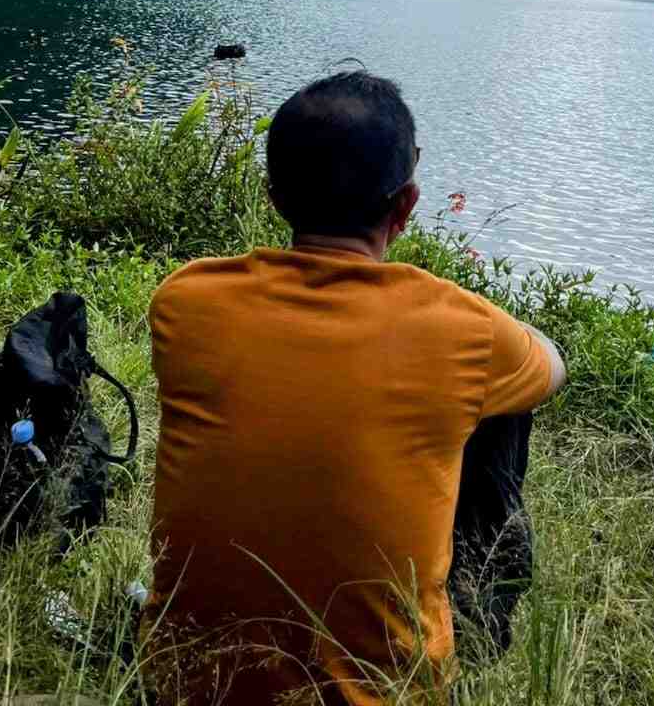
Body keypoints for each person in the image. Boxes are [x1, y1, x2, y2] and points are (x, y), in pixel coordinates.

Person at [146, 68, 566, 705]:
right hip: (385, 695)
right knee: (504, 404)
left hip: (184, 681)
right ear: (405, 206)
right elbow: (553, 367)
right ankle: (477, 622)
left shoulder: (184, 301)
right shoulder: (462, 330)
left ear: (272, 195)